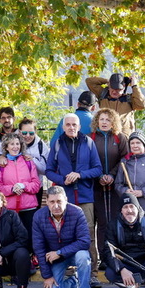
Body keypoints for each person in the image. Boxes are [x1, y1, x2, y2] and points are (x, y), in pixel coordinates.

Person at [45, 113, 102, 273]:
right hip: (65, 199)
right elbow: (49, 171)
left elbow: (98, 169)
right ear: (63, 127)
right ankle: (69, 271)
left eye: (74, 124)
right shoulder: (57, 144)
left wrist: (80, 175)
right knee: (64, 234)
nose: (71, 127)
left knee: (89, 234)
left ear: (79, 126)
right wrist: (63, 180)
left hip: (85, 197)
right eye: (68, 125)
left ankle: (93, 272)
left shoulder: (89, 143)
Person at [31, 185, 97, 288]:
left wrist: (60, 252)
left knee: (83, 256)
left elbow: (84, 241)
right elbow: (39, 248)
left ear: (66, 200)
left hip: (72, 254)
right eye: (52, 202)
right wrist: (47, 276)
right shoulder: (39, 216)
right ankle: (73, 283)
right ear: (47, 202)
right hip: (55, 259)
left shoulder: (77, 212)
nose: (56, 206)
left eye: (59, 201)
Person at [90, 107, 124, 281]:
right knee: (100, 223)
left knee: (113, 222)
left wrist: (111, 174)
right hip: (95, 186)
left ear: (113, 122)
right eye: (101, 119)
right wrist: (99, 176)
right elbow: (86, 160)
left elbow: (124, 160)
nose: (104, 122)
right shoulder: (91, 138)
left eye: (108, 120)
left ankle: (114, 255)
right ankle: (102, 257)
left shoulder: (120, 138)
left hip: (115, 187)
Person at [0, 133, 41, 234]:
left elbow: (36, 185)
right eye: (12, 144)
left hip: (29, 207)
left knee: (30, 238)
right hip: (9, 209)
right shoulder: (1, 164)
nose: (15, 147)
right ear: (6, 147)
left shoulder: (28, 162)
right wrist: (12, 189)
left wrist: (23, 186)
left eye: (17, 144)